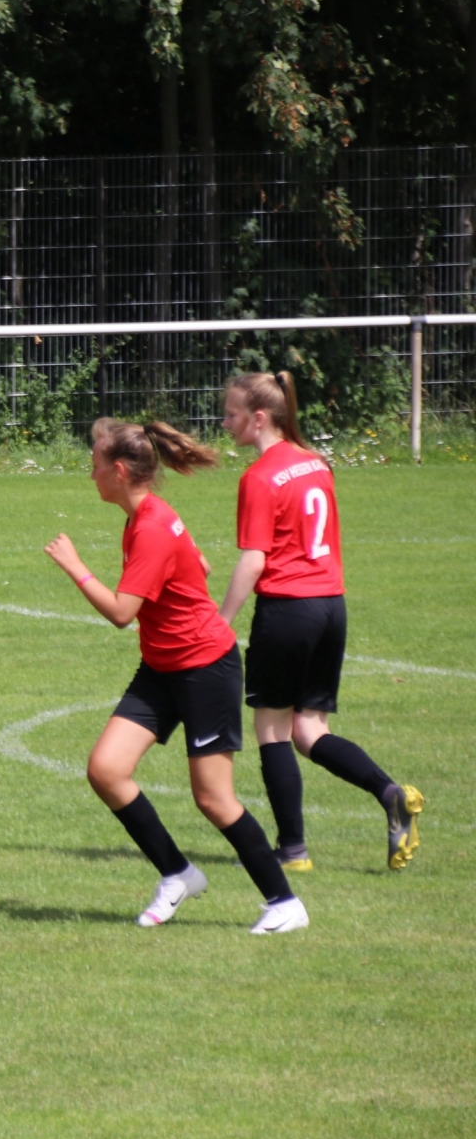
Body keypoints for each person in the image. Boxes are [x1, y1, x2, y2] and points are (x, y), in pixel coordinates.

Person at [45, 418, 308, 934]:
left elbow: (122, 612)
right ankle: (177, 874)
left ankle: (284, 902)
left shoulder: (149, 526)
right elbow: (200, 564)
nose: (91, 474)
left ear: (119, 471)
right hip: (162, 666)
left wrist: (75, 566)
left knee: (213, 799)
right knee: (106, 770)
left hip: (205, 669)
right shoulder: (146, 518)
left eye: (95, 465)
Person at [216, 371, 424, 871]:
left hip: (288, 610)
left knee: (272, 729)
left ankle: (293, 851)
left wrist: (221, 621)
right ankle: (390, 793)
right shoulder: (316, 462)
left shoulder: (259, 477)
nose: (224, 423)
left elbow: (254, 559)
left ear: (258, 418)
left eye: (231, 414)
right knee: (309, 730)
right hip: (331, 606)